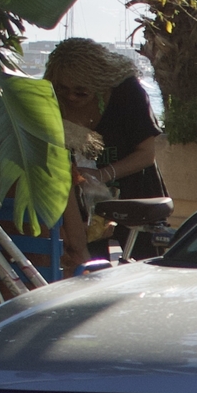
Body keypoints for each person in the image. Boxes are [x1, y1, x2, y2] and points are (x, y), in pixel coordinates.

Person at [43, 39, 165, 271]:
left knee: (143, 269)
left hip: (134, 192)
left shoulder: (127, 93)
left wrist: (102, 174)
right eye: (63, 89)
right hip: (83, 206)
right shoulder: (53, 100)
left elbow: (146, 154)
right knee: (89, 271)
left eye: (81, 91)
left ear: (100, 84)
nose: (71, 97)